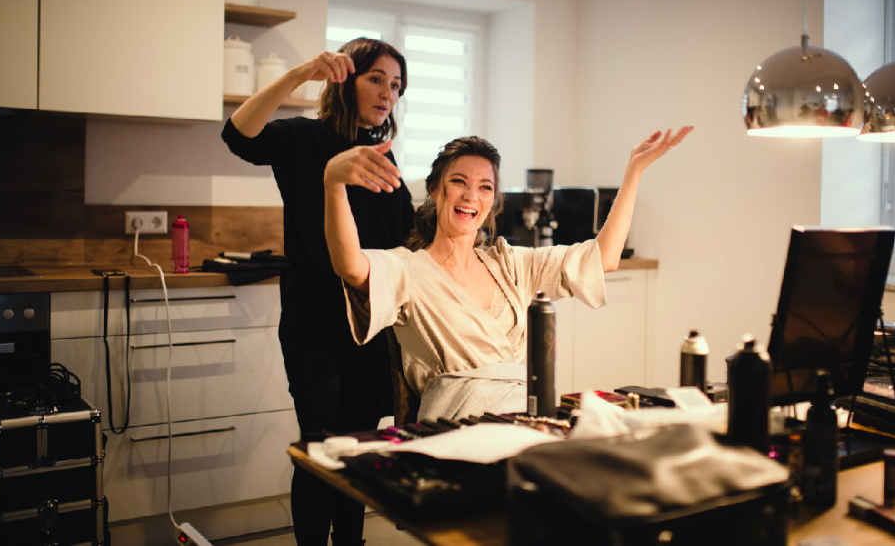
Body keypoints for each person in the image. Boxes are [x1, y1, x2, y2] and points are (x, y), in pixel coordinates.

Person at [324, 128, 693, 420]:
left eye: (485, 187)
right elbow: (350, 266)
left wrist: (634, 173)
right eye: (459, 182)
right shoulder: (407, 268)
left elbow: (604, 257)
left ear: (493, 201)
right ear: (435, 190)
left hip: (523, 420)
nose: (471, 196)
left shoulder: (511, 264)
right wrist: (334, 184)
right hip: (454, 428)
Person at [222, 38, 414, 546]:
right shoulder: (305, 140)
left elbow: (406, 246)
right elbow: (238, 135)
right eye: (376, 78)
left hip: (370, 328)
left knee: (356, 451)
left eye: (395, 85)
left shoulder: (384, 161)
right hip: (314, 324)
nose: (387, 93)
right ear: (345, 78)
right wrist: (299, 74)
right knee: (321, 449)